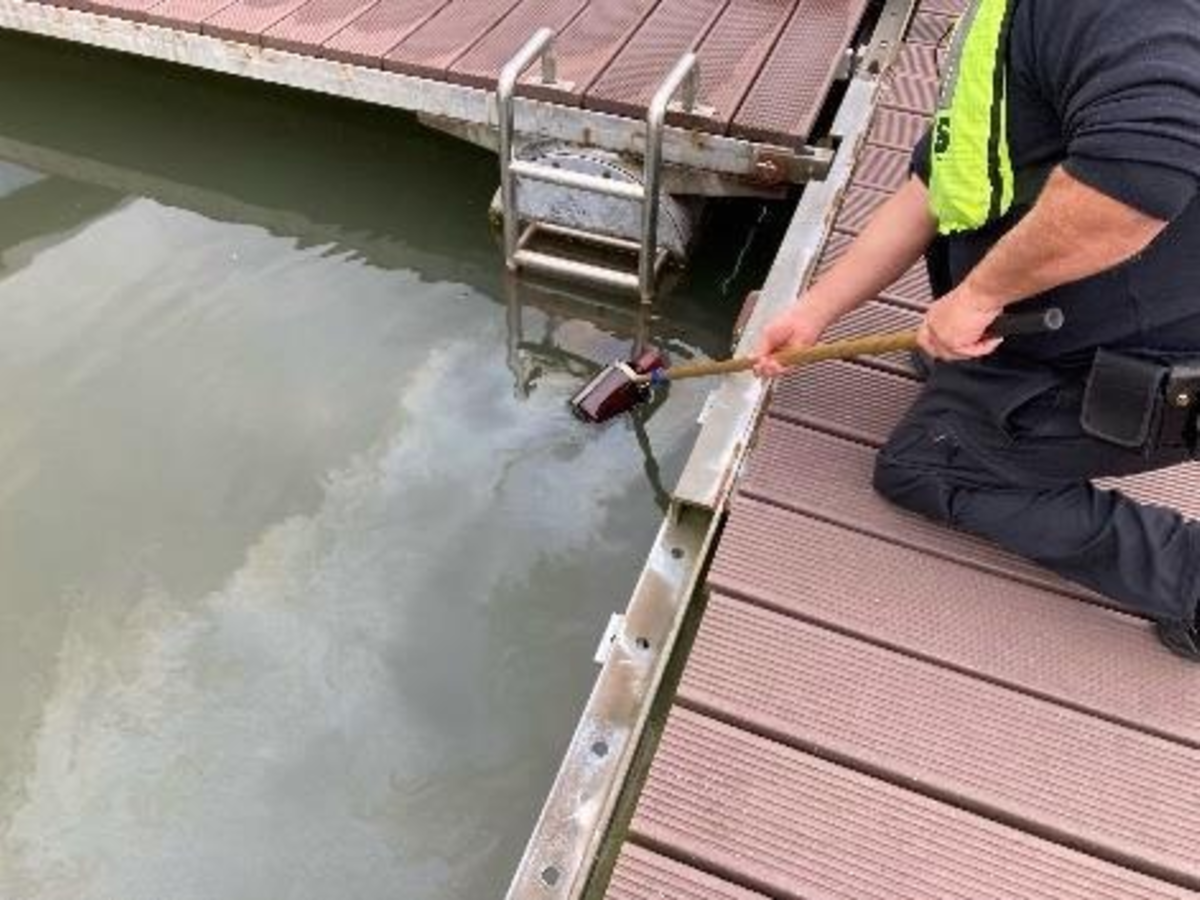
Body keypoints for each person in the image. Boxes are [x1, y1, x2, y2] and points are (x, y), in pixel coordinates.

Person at [754, 0, 1200, 659]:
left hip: (1147, 356)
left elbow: (1139, 176)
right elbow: (940, 178)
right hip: (1073, 314)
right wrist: (815, 311)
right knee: (949, 378)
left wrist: (981, 295)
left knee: (925, 466)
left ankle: (1188, 580)